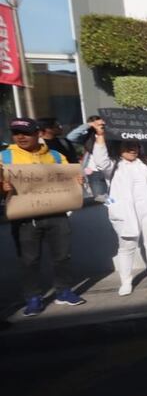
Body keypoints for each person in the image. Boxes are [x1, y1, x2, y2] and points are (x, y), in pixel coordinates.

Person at [2, 118, 86, 315]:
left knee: (62, 255)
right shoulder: (4, 157)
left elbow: (71, 178)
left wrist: (77, 179)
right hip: (24, 218)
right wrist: (2, 187)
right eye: (16, 133)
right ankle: (33, 297)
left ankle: (64, 291)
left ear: (38, 133)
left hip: (56, 213)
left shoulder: (55, 156)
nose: (20, 137)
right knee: (29, 260)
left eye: (26, 133)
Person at [91, 126, 147, 294]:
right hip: (126, 213)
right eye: (127, 146)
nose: (132, 149)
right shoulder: (113, 167)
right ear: (119, 148)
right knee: (126, 247)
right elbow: (101, 161)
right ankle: (126, 282)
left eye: (135, 146)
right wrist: (100, 136)